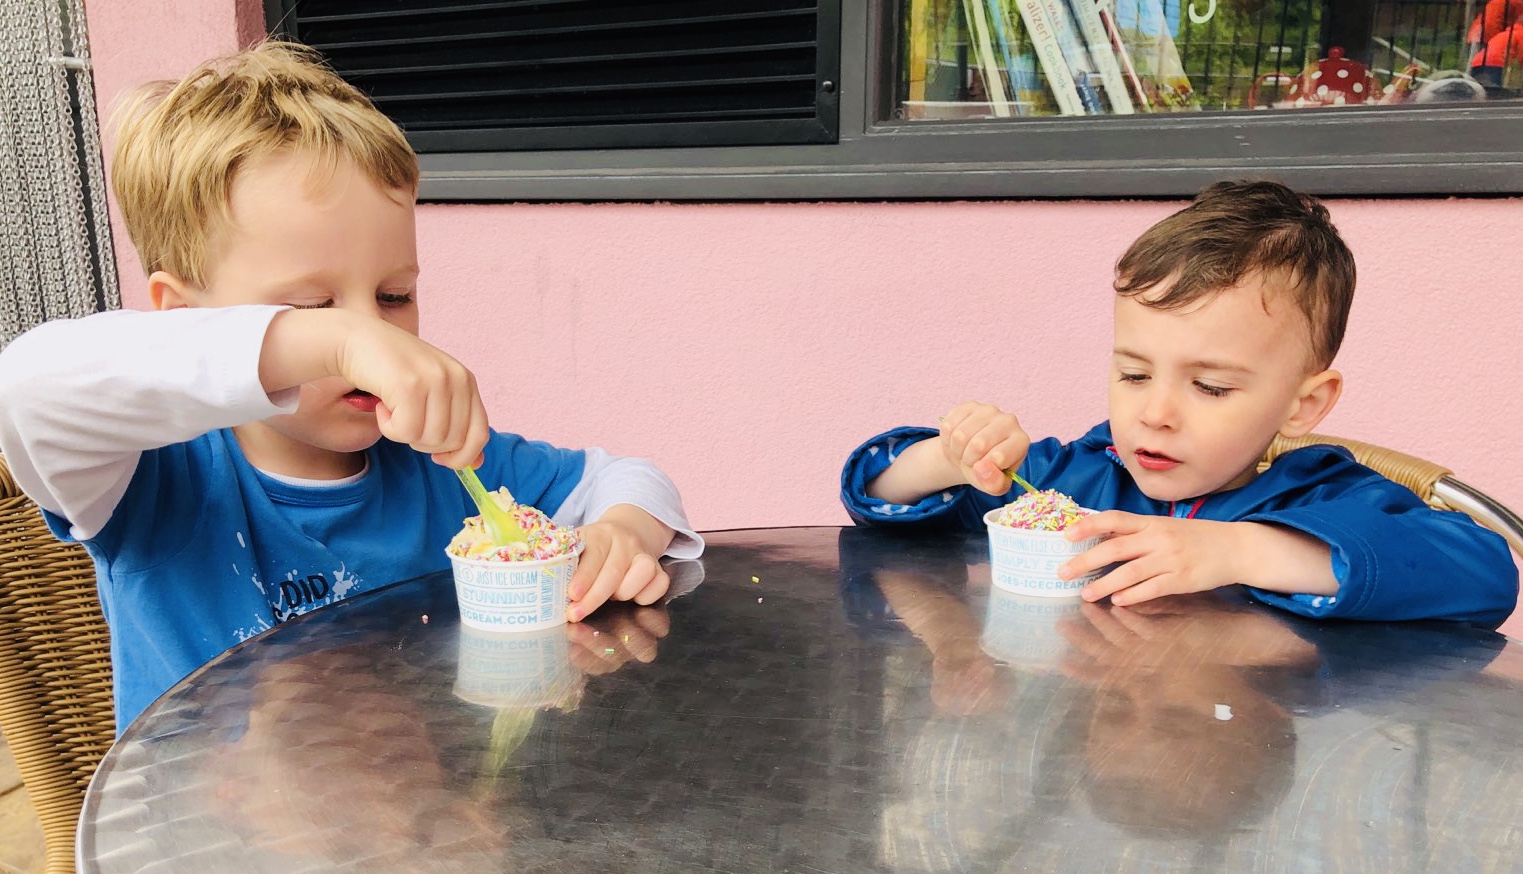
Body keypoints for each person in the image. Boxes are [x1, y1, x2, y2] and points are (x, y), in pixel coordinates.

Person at [0, 41, 703, 731]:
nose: (377, 335)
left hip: (416, 824)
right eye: (311, 308)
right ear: (186, 318)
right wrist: (336, 343)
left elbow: (632, 478)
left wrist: (619, 533)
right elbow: (28, 387)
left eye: (394, 297)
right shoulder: (154, 482)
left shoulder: (443, 468)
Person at [840, 180, 1517, 627]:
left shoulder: (1323, 497)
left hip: (1254, 711)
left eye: (1210, 386)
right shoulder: (1070, 482)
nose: (1155, 413)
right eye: (1133, 375)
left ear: (1302, 405)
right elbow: (880, 494)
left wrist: (1240, 551)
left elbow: (1484, 573)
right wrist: (950, 457)